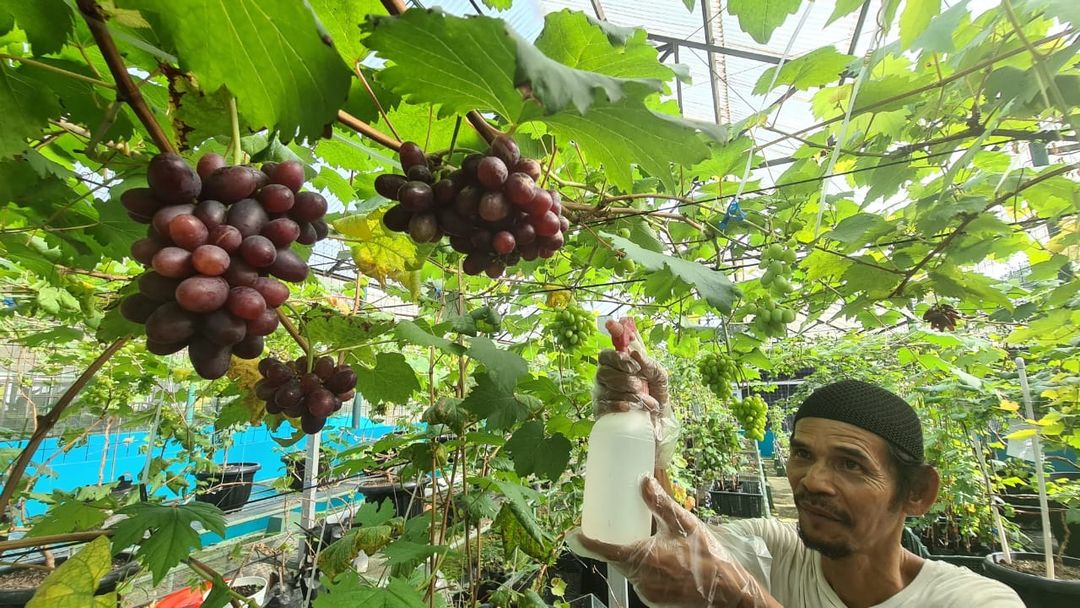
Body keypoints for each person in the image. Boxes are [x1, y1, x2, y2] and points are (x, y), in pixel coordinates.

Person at [578, 348, 1023, 607]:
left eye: (851, 463)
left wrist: (746, 600)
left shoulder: (973, 601)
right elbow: (662, 542)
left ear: (918, 492)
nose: (813, 480)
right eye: (802, 454)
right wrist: (647, 434)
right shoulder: (773, 550)